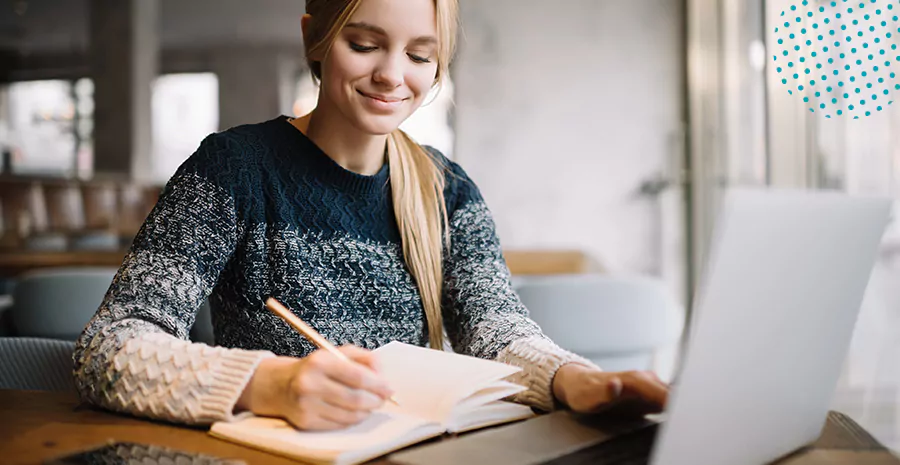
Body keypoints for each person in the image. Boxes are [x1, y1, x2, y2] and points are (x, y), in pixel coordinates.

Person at [73, 0, 668, 431]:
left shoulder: (448, 189)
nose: (392, 75)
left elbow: (496, 329)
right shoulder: (235, 168)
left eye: (419, 55)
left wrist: (573, 378)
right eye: (363, 45)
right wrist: (267, 385)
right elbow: (109, 349)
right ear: (314, 36)